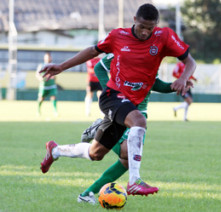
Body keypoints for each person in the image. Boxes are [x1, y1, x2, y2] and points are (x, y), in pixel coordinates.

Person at [40, 3, 196, 197]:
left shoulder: (164, 37)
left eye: (150, 28)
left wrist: (181, 81)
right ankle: (134, 181)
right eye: (142, 27)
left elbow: (190, 61)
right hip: (112, 97)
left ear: (156, 25)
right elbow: (92, 52)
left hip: (130, 105)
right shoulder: (118, 36)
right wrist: (62, 66)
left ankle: (55, 151)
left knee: (95, 153)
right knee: (139, 121)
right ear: (134, 21)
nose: (146, 32)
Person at [77, 53, 187, 204]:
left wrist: (176, 85)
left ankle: (86, 194)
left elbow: (155, 83)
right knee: (127, 153)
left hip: (140, 115)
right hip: (121, 109)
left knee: (127, 162)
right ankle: (98, 130)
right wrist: (108, 92)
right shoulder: (125, 46)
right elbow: (99, 67)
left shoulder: (154, 51)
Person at [35, 52, 58, 116]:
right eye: (46, 57)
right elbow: (37, 74)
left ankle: (55, 111)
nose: (48, 58)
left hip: (52, 85)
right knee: (41, 98)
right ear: (44, 58)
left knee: (53, 97)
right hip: (44, 85)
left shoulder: (53, 65)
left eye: (49, 57)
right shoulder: (41, 65)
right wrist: (40, 78)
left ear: (51, 58)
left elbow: (56, 75)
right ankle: (38, 111)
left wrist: (54, 78)